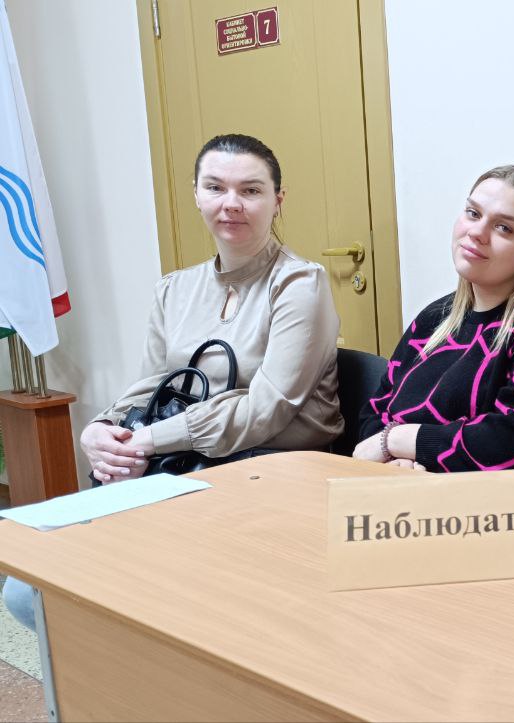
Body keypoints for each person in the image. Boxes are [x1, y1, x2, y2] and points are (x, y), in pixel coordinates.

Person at [4, 133, 342, 630]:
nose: (232, 203)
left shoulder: (298, 284)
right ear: (197, 195)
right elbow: (151, 386)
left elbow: (266, 410)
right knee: (26, 590)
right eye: (216, 187)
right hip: (180, 469)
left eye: (251, 190)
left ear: (277, 200)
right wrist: (102, 429)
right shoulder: (175, 289)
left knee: (151, 594)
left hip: (266, 477)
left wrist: (149, 440)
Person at [354, 165, 514, 471]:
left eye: (504, 228)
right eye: (473, 213)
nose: (477, 233)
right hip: (408, 488)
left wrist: (395, 441)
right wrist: (396, 460)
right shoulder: (435, 318)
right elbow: (375, 412)